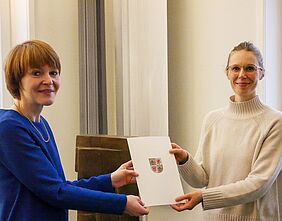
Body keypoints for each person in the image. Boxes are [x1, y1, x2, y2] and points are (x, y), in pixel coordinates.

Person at [0, 40, 149, 221]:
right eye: (37, 73)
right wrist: (122, 203)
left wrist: (111, 180)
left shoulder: (41, 124)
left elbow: (60, 186)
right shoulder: (9, 128)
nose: (48, 81)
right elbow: (56, 192)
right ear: (17, 80)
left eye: (53, 73)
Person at [169, 41, 282, 220]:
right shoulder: (212, 119)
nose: (242, 75)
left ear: (262, 74)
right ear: (227, 73)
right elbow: (201, 179)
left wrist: (204, 197)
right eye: (235, 68)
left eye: (250, 68)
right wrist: (184, 160)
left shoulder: (275, 122)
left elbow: (258, 184)